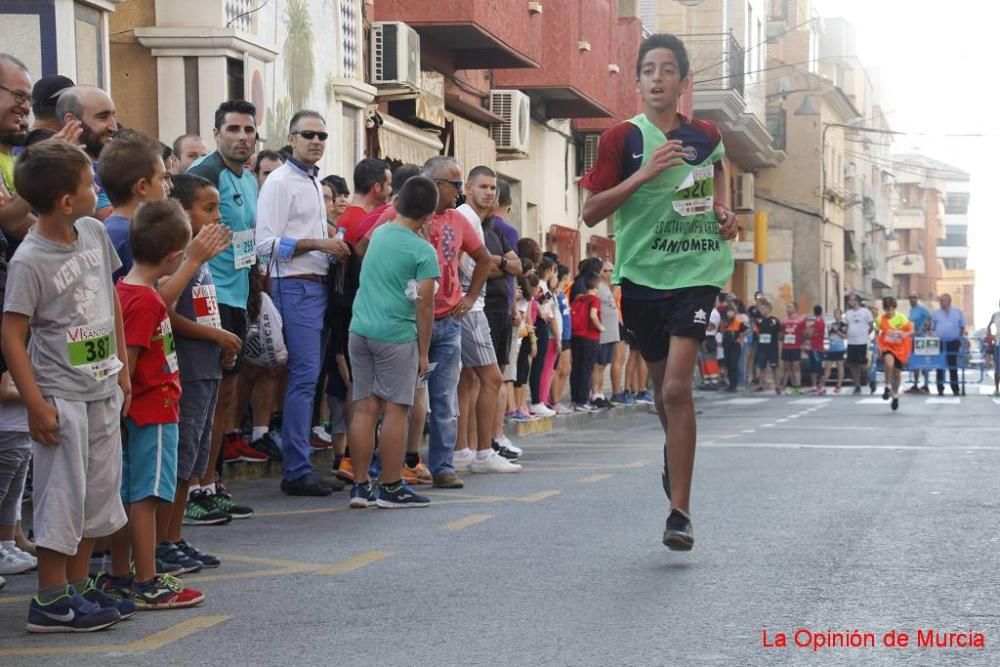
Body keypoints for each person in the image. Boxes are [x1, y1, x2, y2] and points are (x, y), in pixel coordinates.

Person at [581, 32, 739, 550]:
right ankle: (675, 459)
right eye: (648, 69)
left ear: (683, 81)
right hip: (642, 277)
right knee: (658, 389)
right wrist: (645, 174)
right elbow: (591, 213)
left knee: (676, 388)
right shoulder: (621, 140)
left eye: (667, 69)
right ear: (637, 80)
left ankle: (681, 512)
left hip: (696, 274)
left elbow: (717, 171)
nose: (657, 78)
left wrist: (723, 211)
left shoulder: (706, 134)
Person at [2, 140, 130, 632]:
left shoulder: (93, 232)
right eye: (88, 184)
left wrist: (120, 367)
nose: (95, 189)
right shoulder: (30, 259)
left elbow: (110, 300)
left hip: (100, 388)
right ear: (65, 201)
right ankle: (51, 600)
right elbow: (12, 333)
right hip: (61, 396)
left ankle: (78, 589)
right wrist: (35, 403)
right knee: (62, 497)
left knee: (95, 497)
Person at [107, 199, 205, 608]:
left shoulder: (127, 291)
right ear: (170, 258)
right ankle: (146, 579)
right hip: (153, 409)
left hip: (140, 409)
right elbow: (128, 356)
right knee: (146, 497)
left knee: (129, 494)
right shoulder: (146, 301)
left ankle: (120, 574)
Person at [256, 110, 349, 496]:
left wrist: (329, 244)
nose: (316, 141)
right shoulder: (280, 183)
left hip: (316, 286)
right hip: (293, 286)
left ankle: (301, 463)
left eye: (322, 136)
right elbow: (265, 245)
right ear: (291, 138)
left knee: (310, 380)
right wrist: (320, 244)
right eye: (308, 134)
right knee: (304, 379)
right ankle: (296, 469)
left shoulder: (311, 182)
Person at [346, 176, 440, 508]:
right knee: (396, 409)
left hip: (360, 329)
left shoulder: (381, 233)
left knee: (365, 407)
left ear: (396, 203)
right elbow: (425, 304)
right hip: (396, 335)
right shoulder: (423, 251)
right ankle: (390, 484)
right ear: (430, 216)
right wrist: (424, 352)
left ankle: (359, 485)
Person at [187, 99, 259, 514]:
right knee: (207, 395)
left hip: (239, 295)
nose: (242, 138)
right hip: (207, 296)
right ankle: (195, 486)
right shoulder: (202, 176)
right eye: (233, 129)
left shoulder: (248, 179)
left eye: (249, 130)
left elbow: (247, 240)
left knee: (227, 396)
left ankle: (211, 481)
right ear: (217, 134)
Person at [166, 174, 242, 535]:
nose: (215, 217)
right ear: (181, 211)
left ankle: (174, 537)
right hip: (188, 369)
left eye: (218, 209)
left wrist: (221, 345)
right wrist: (215, 335)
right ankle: (166, 537)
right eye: (207, 209)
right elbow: (165, 311)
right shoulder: (183, 258)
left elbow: (206, 309)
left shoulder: (203, 256)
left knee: (194, 457)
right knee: (181, 459)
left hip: (208, 364)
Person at [420, 156, 492, 489]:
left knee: (444, 400)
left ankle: (443, 465)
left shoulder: (458, 220)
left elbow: (484, 259)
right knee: (404, 399)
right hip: (410, 323)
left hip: (448, 321)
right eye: (456, 184)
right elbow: (367, 248)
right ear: (436, 185)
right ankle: (399, 463)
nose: (460, 192)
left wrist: (469, 296)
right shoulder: (404, 215)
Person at [453, 166, 521, 473]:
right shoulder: (466, 218)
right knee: (490, 379)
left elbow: (517, 267)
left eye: (493, 188)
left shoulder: (481, 224)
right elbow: (468, 265)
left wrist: (498, 263)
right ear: (467, 188)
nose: (489, 192)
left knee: (468, 380)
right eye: (483, 186)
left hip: (473, 306)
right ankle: (481, 452)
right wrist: (497, 264)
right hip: (472, 307)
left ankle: (464, 450)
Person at [99, 130, 170, 281]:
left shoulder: (114, 227)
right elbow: (145, 296)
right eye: (162, 178)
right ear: (142, 186)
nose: (168, 186)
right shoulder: (130, 236)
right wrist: (192, 261)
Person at [55, 85, 119, 220]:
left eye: (113, 116)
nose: (114, 127)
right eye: (103, 117)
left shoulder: (108, 167)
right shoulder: (60, 172)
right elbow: (113, 220)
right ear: (71, 120)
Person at [570, 272, 604, 411]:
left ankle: (575, 398)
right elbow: (593, 315)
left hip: (576, 336)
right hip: (590, 337)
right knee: (586, 368)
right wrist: (601, 327)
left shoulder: (578, 299)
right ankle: (582, 400)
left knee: (576, 368)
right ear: (597, 285)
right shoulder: (594, 300)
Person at [339, 158, 392, 245]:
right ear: (377, 187)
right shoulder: (362, 221)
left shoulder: (349, 215)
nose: (391, 190)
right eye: (389, 184)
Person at [593, 261, 623, 407]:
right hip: (602, 331)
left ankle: (600, 392)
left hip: (611, 331)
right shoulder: (598, 286)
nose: (610, 274)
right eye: (607, 271)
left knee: (604, 363)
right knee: (598, 364)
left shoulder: (608, 287)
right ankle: (595, 393)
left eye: (612, 270)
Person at [876, 296, 913, 412]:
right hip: (887, 346)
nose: (889, 312)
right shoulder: (879, 319)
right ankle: (887, 386)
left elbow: (911, 330)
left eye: (891, 309)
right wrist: (878, 347)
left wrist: (905, 335)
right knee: (889, 365)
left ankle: (895, 395)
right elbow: (877, 333)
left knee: (897, 373)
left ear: (895, 308)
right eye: (887, 309)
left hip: (900, 348)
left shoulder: (901, 318)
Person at [931, 293, 965, 396]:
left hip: (953, 342)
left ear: (949, 301)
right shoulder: (936, 313)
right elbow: (932, 328)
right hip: (940, 342)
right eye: (941, 300)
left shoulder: (958, 312)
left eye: (944, 300)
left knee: (953, 366)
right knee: (940, 366)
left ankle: (955, 389)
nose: (942, 302)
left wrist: (959, 338)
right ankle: (940, 388)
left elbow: (962, 327)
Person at [551, 264, 574, 413]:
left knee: (566, 369)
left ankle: (556, 400)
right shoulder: (555, 293)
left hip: (567, 334)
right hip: (560, 335)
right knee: (559, 369)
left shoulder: (562, 294)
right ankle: (554, 400)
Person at [844, 293, 873, 394]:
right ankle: (857, 385)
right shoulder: (848, 313)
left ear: (856, 301)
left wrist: (865, 334)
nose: (849, 302)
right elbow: (845, 326)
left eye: (851, 300)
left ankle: (870, 380)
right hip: (851, 342)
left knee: (862, 364)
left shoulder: (865, 312)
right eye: (849, 300)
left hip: (861, 342)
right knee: (852, 364)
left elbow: (871, 325)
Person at [905, 293, 932, 394]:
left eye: (914, 297)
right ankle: (915, 385)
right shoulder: (911, 310)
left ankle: (926, 385)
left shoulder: (922, 309)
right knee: (915, 362)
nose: (912, 299)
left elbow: (930, 318)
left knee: (924, 362)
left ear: (917, 299)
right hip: (913, 339)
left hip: (922, 339)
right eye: (910, 297)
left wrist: (924, 328)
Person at [778, 302, 806, 395]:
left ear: (795, 309)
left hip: (796, 346)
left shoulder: (800, 320)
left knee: (796, 366)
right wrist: (780, 337)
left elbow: (804, 333)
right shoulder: (784, 320)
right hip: (786, 346)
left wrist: (802, 344)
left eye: (790, 307)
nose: (788, 309)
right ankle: (786, 385)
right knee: (786, 367)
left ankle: (798, 385)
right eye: (787, 307)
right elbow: (781, 333)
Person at [753, 300, 780, 393]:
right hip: (762, 348)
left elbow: (779, 334)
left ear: (768, 309)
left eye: (763, 309)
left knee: (774, 367)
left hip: (772, 348)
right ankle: (760, 385)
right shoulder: (758, 321)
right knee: (762, 367)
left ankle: (777, 386)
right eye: (760, 309)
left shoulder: (775, 320)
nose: (761, 311)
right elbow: (756, 332)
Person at [721, 306, 748, 392]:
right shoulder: (725, 322)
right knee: (728, 364)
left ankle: (734, 386)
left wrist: (740, 338)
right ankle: (730, 385)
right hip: (727, 345)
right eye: (728, 311)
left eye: (731, 311)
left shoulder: (738, 322)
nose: (730, 313)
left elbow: (747, 330)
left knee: (733, 364)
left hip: (735, 346)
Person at [822, 308, 848, 394]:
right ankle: (822, 385)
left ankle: (839, 385)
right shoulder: (830, 325)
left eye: (838, 314)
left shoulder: (844, 325)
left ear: (841, 315)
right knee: (827, 367)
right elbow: (829, 336)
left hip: (840, 348)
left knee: (839, 366)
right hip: (831, 348)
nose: (837, 315)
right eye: (835, 314)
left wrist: (837, 330)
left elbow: (844, 336)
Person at [804, 305, 826, 393]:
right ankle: (814, 386)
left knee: (818, 368)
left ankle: (822, 386)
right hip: (813, 348)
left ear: (814, 312)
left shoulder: (819, 322)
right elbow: (809, 333)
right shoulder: (816, 322)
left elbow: (808, 334)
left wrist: (808, 330)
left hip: (817, 348)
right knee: (813, 368)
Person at [988, 300, 1000, 397]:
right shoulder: (995, 315)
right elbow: (989, 325)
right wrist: (990, 335)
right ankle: (997, 389)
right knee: (997, 368)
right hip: (998, 344)